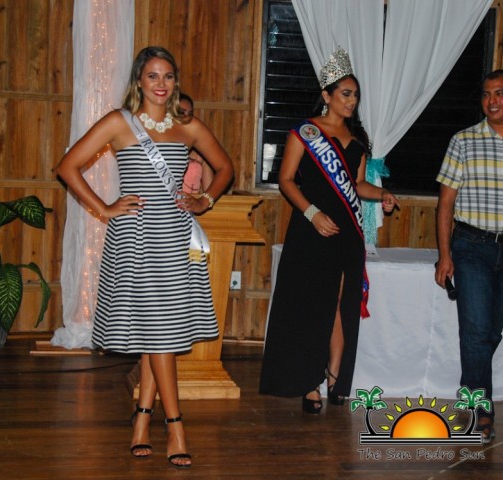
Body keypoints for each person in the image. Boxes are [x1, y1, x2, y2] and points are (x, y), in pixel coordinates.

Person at [56, 46, 233, 467]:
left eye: (168, 76)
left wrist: (205, 199)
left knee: (162, 333)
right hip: (135, 239)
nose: (161, 84)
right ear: (139, 80)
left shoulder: (187, 126)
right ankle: (175, 426)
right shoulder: (120, 123)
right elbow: (67, 166)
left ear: (175, 82)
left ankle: (140, 420)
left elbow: (226, 167)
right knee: (159, 332)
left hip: (174, 240)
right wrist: (105, 209)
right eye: (153, 76)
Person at [259, 48, 399, 414]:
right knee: (312, 305)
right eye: (345, 94)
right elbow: (287, 181)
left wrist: (381, 193)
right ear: (327, 96)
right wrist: (311, 213)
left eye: (355, 95)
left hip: (346, 234)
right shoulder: (305, 133)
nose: (352, 101)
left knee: (341, 305)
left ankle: (334, 376)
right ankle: (309, 383)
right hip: (311, 229)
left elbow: (356, 186)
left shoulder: (357, 141)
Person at [434, 69, 503, 444]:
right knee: (476, 332)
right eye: (485, 95)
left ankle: (470, 383)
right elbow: (445, 203)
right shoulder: (463, 141)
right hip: (471, 247)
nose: (491, 101)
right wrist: (444, 256)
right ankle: (483, 407)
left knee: (491, 331)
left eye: (499, 93)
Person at [180, 93, 215, 194]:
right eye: (181, 112)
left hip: (191, 207)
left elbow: (209, 190)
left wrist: (202, 203)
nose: (186, 117)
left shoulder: (200, 151)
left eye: (190, 114)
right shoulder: (157, 145)